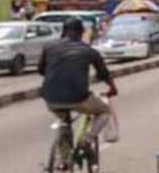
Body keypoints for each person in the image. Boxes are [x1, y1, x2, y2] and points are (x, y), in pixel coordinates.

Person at [38, 18, 118, 158]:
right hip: (78, 98)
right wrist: (112, 88)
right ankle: (87, 140)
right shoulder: (89, 51)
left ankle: (63, 159)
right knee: (104, 111)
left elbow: (41, 70)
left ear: (63, 32)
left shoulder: (48, 46)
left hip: (50, 98)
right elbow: (104, 74)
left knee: (64, 121)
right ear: (81, 33)